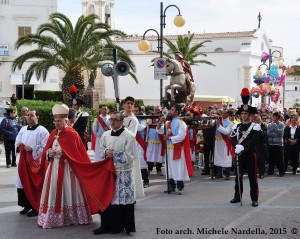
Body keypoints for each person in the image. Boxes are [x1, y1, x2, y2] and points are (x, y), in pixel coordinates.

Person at [38, 104, 116, 229]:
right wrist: (49, 153)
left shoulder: (72, 134)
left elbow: (77, 154)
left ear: (66, 121)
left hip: (68, 170)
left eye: (59, 121)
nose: (57, 123)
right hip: (54, 168)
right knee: (53, 191)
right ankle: (54, 217)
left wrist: (64, 153)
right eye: (55, 121)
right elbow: (46, 149)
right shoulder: (53, 132)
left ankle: (72, 216)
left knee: (69, 191)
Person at [93, 111, 138, 235]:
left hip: (123, 173)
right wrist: (106, 151)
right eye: (111, 119)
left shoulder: (129, 136)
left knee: (120, 200)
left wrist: (114, 154)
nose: (112, 122)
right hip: (108, 172)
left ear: (122, 122)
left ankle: (118, 226)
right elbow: (100, 150)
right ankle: (105, 225)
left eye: (115, 120)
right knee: (107, 198)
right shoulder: (106, 135)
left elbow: (130, 156)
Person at [230, 88, 262, 207]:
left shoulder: (255, 127)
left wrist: (243, 147)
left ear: (250, 115)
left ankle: (254, 198)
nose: (243, 116)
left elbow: (254, 141)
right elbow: (232, 138)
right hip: (239, 155)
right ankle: (237, 196)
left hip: (250, 155)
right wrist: (236, 146)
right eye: (242, 114)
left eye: (245, 114)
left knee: (252, 178)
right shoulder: (236, 126)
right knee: (238, 178)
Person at [15, 109, 49, 217]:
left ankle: (36, 207)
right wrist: (20, 145)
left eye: (32, 115)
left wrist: (32, 149)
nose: (29, 117)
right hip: (23, 160)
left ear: (37, 117)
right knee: (22, 182)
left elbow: (45, 146)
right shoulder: (23, 129)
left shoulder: (43, 131)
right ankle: (26, 205)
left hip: (35, 162)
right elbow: (17, 141)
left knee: (34, 184)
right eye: (28, 115)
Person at [156, 104, 193, 195]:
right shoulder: (168, 123)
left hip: (177, 149)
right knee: (170, 168)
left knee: (178, 167)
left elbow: (181, 136)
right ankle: (171, 186)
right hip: (169, 149)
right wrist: (160, 122)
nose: (170, 111)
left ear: (176, 112)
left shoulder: (181, 123)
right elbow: (159, 130)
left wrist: (169, 138)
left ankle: (180, 187)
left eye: (172, 110)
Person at [213, 109, 234, 180]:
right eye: (222, 113)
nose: (223, 115)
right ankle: (219, 174)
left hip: (225, 142)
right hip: (218, 141)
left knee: (226, 158)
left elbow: (226, 132)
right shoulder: (218, 120)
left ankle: (227, 174)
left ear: (228, 114)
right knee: (218, 157)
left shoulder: (230, 123)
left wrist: (218, 125)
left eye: (225, 113)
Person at [146, 106, 165, 176]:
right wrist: (146, 139)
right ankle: (149, 169)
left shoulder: (163, 118)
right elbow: (147, 129)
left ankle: (159, 170)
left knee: (159, 156)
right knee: (150, 155)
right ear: (154, 111)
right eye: (156, 110)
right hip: (151, 139)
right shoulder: (150, 118)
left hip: (160, 140)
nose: (157, 111)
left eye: (158, 110)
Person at [134, 106, 149, 188]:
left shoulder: (143, 120)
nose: (135, 112)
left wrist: (133, 122)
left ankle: (145, 181)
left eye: (136, 111)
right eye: (134, 111)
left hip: (140, 143)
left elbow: (140, 128)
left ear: (140, 111)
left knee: (142, 163)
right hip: (133, 142)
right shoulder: (131, 119)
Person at [267, 111, 285, 177]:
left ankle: (281, 172)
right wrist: (275, 134)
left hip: (278, 144)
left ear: (279, 118)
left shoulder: (281, 124)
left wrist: (275, 126)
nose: (275, 119)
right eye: (274, 117)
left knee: (279, 159)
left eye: (276, 118)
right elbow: (268, 134)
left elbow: (280, 134)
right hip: (271, 144)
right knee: (271, 159)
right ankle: (270, 171)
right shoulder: (269, 124)